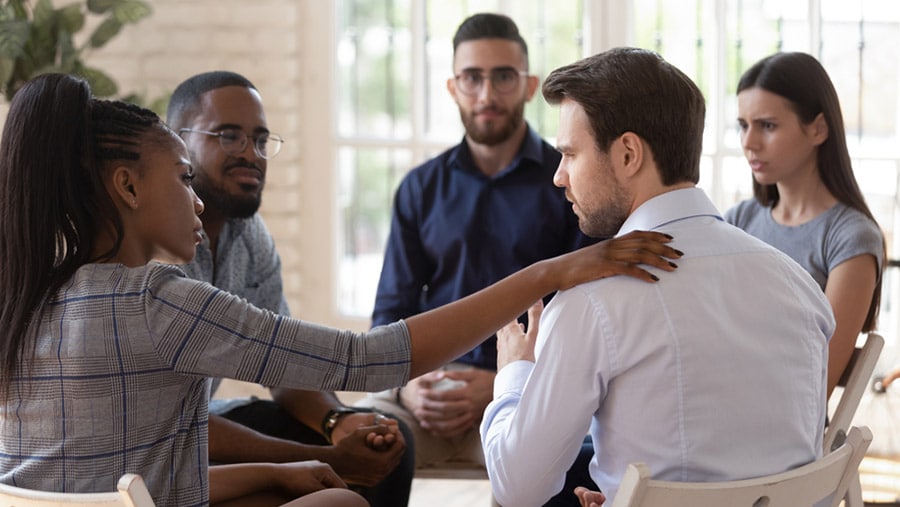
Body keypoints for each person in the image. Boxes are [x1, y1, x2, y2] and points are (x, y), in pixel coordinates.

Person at [0, 74, 680, 507]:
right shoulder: (158, 299)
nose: (194, 200)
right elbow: (368, 356)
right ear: (126, 188)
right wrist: (554, 271)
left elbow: (135, 482)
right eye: (180, 177)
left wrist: (296, 465)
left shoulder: (31, 296)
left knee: (313, 488)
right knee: (343, 506)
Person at [479, 47, 835, 506]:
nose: (559, 177)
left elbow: (516, 490)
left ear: (628, 154)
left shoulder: (593, 304)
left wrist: (514, 375)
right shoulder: (800, 287)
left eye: (569, 154)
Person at [357, 13, 598, 501]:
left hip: (531, 387)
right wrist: (408, 385)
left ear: (529, 85)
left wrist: (501, 381)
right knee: (357, 443)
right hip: (428, 390)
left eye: (503, 77)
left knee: (586, 459)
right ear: (453, 87)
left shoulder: (569, 180)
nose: (487, 95)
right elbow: (390, 312)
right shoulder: (420, 188)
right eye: (472, 77)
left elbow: (587, 310)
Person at [165, 70, 414, 507]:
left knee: (385, 445)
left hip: (202, 428)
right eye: (228, 136)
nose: (250, 153)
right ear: (176, 142)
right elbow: (172, 427)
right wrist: (323, 457)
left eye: (260, 140)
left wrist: (337, 422)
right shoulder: (154, 245)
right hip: (159, 453)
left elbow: (282, 365)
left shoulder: (250, 234)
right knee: (342, 475)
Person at [724, 51, 884, 397]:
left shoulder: (849, 238)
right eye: (743, 125)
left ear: (818, 129)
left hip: (780, 437)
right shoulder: (738, 220)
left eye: (767, 125)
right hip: (717, 410)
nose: (748, 143)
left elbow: (816, 386)